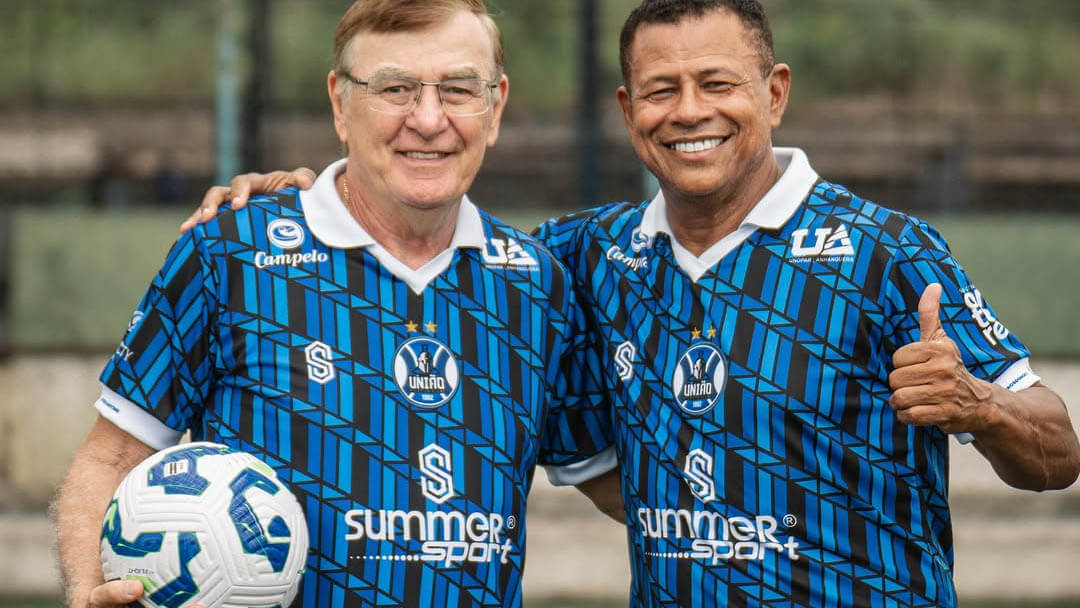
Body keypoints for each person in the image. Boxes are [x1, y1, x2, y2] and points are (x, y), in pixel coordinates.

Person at [192, 1, 1080, 606]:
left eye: (717, 83)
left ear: (774, 93)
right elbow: (430, 240)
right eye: (661, 90)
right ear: (627, 110)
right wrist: (312, 198)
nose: (689, 111)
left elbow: (1058, 451)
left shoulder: (887, 251)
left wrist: (981, 406)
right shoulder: (583, 257)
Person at [53, 2, 620, 607]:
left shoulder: (536, 283)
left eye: (458, 90)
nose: (429, 119)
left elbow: (628, 488)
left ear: (496, 106)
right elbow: (113, 456)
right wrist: (87, 590)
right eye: (395, 89)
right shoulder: (231, 252)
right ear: (340, 104)